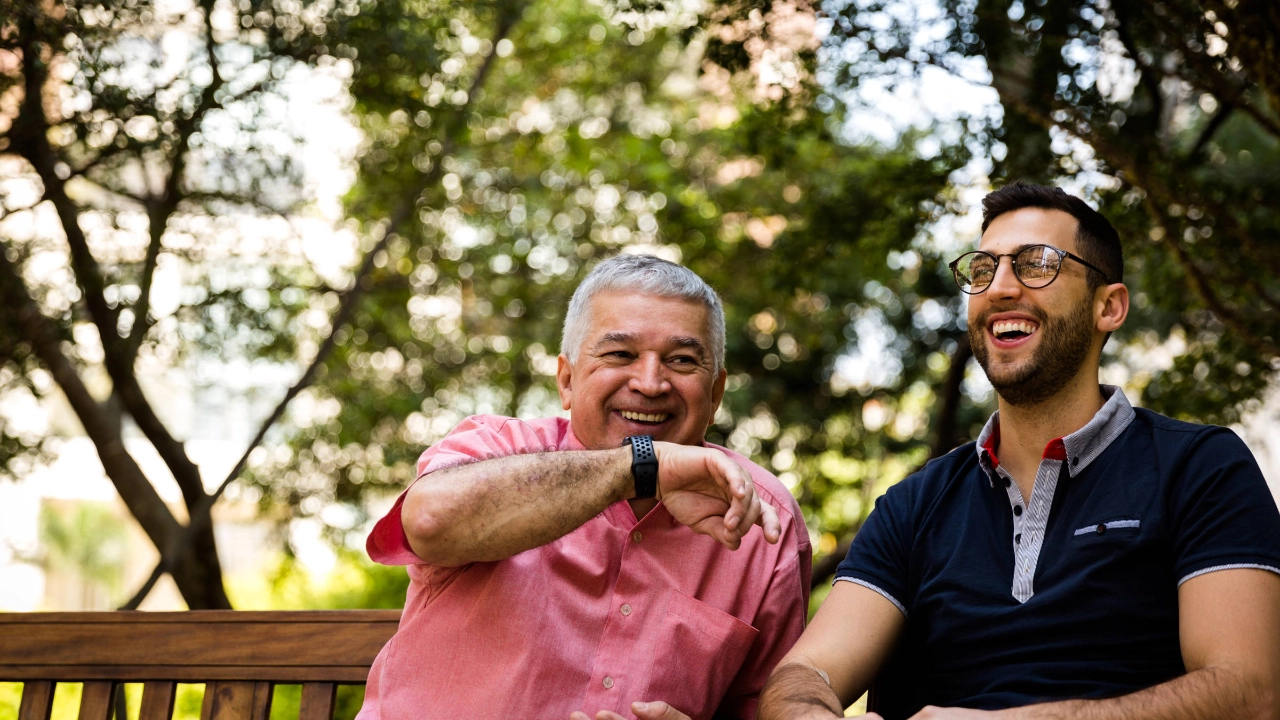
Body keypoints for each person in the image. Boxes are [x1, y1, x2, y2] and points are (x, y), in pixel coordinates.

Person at [758, 182, 1280, 720]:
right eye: (983, 270)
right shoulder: (913, 505)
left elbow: (1248, 692)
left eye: (1036, 265)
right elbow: (804, 673)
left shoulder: (1201, 468)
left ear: (1110, 307)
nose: (1000, 288)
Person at [357, 253, 812, 720]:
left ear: (715, 393)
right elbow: (429, 521)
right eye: (620, 354)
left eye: (681, 360)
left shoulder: (760, 515)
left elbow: (771, 706)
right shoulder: (497, 449)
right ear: (567, 379)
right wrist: (640, 466)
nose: (651, 383)